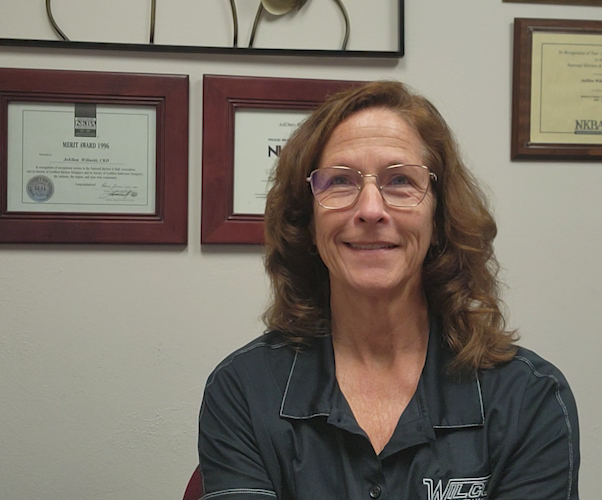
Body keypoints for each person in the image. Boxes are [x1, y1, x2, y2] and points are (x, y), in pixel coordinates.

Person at [198, 81, 580, 500]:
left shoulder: (529, 398)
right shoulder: (243, 390)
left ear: (439, 216)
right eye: (340, 181)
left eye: (399, 180)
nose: (370, 210)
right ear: (307, 220)